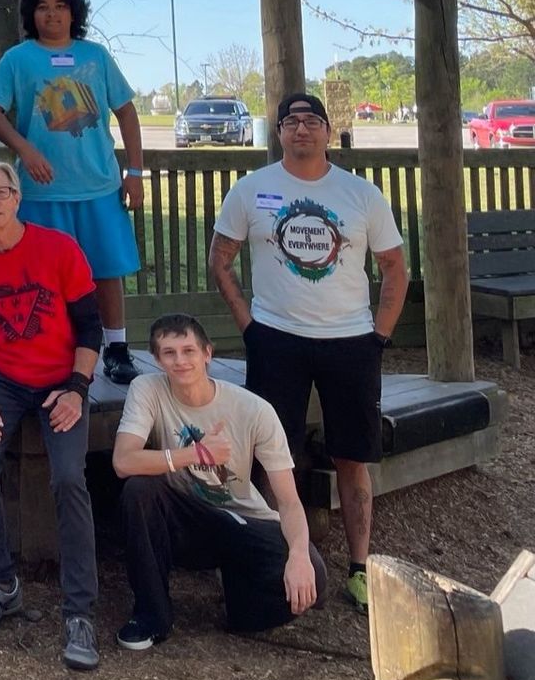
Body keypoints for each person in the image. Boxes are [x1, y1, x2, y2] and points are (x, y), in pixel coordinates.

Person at [207, 92, 408, 611]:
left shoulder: (360, 195)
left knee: (353, 456)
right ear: (278, 133)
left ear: (326, 130)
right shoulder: (252, 191)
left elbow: (393, 267)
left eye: (311, 120)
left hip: (351, 340)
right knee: (275, 454)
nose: (302, 129)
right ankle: (279, 556)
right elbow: (220, 259)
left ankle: (359, 567)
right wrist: (249, 324)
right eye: (291, 121)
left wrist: (379, 334)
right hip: (276, 338)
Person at [0, 157, 102, 670]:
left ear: (18, 197)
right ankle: (2, 585)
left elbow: (90, 330)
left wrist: (78, 389)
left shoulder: (59, 250)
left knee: (68, 479)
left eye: (1, 191)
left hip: (63, 378)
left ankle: (79, 611)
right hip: (3, 382)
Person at [112, 313, 323, 650]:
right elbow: (123, 461)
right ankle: (152, 615)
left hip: (243, 519)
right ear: (156, 359)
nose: (180, 361)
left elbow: (288, 500)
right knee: (139, 488)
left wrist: (298, 555)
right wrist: (193, 454)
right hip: (184, 516)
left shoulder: (254, 410)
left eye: (188, 351)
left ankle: (239, 607)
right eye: (169, 353)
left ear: (207, 353)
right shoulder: (148, 389)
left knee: (313, 573)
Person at [0, 0, 145, 385]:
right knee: (45, 274)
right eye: (42, 7)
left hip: (99, 184)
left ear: (74, 13)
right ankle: (54, 348)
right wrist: (25, 150)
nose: (51, 14)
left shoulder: (96, 56)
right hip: (41, 190)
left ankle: (116, 347)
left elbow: (126, 112)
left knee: (105, 269)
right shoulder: (19, 59)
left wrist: (135, 172)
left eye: (59, 6)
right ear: (31, 16)